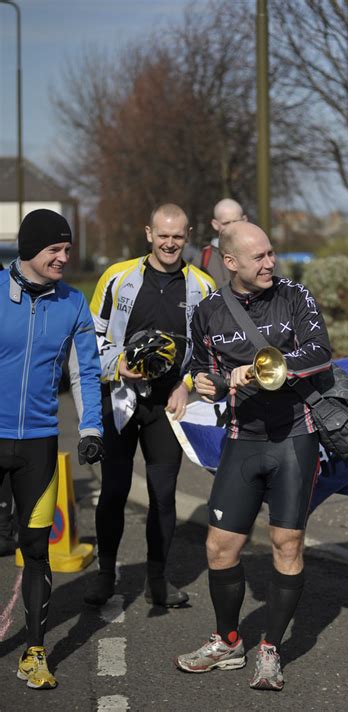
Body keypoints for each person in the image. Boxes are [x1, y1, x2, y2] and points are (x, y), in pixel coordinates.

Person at [176, 222, 333, 690]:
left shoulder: (294, 296)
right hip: (243, 439)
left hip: (294, 437)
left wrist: (266, 369)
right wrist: (206, 382)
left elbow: (321, 352)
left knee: (286, 543)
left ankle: (270, 649)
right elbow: (202, 369)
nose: (270, 263)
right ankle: (227, 641)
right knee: (219, 547)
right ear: (231, 263)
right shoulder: (207, 311)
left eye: (270, 253)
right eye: (258, 257)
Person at [84, 203, 216, 608]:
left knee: (163, 495)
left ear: (188, 235)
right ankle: (107, 576)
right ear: (148, 234)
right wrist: (118, 365)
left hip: (166, 404)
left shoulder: (203, 286)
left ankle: (157, 579)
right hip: (120, 398)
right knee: (114, 491)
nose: (170, 243)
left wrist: (187, 384)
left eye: (177, 236)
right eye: (163, 235)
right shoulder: (117, 277)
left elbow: (211, 350)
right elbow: (91, 337)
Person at [0, 209, 104, 690]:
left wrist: (91, 430)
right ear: (30, 251)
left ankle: (35, 652)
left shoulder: (73, 304)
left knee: (36, 550)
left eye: (67, 249)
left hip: (39, 444)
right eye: (54, 250)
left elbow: (84, 372)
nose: (64, 257)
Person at [198, 198, 248, 287]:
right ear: (215, 224)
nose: (232, 227)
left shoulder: (262, 253)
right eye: (226, 223)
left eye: (236, 221)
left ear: (244, 220)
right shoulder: (202, 260)